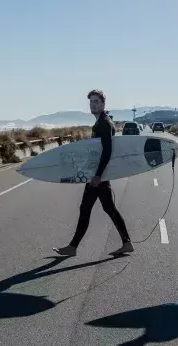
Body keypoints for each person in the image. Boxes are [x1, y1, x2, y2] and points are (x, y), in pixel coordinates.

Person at [53, 89, 134, 257]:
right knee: (107, 208)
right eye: (91, 102)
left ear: (103, 104)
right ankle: (126, 243)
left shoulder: (104, 123)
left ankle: (73, 247)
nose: (93, 105)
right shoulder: (101, 122)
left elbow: (107, 151)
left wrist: (97, 175)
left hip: (99, 176)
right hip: (98, 174)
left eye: (96, 102)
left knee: (88, 209)